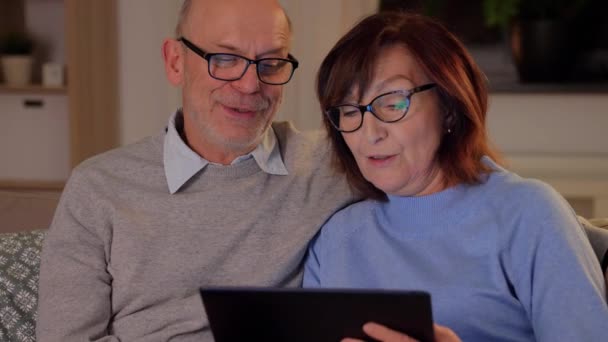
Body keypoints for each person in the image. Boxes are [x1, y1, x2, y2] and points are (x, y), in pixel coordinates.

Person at [36, 0, 354, 340]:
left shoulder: (333, 163)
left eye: (271, 62)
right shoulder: (98, 187)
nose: (249, 85)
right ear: (175, 62)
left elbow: (416, 179)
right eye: (226, 58)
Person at [304, 12, 608, 342]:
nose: (369, 133)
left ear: (449, 107)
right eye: (350, 111)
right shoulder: (334, 241)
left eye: (392, 103)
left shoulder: (529, 214)